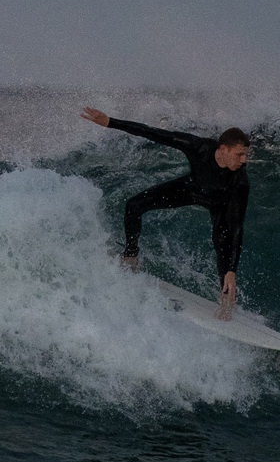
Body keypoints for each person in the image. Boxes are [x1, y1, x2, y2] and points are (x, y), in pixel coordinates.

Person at [81, 108, 251, 317]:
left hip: (219, 204)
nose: (244, 160)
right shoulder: (199, 147)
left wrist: (232, 270)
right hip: (190, 190)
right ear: (223, 149)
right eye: (240, 154)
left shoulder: (240, 181)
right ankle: (131, 256)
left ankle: (226, 301)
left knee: (223, 243)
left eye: (246, 155)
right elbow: (153, 133)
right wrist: (110, 122)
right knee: (134, 205)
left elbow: (237, 226)